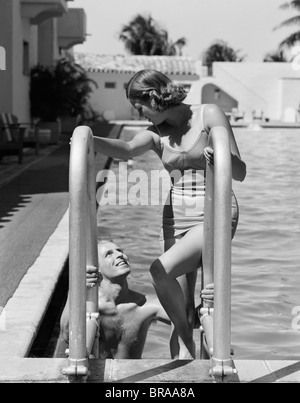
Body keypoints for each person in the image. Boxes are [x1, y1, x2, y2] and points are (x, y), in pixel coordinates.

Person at [91, 69, 247, 359]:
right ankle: (190, 360)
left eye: (140, 108)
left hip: (215, 211)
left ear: (154, 97)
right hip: (174, 218)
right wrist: (89, 138)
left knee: (159, 271)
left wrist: (221, 156)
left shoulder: (209, 114)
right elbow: (125, 150)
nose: (141, 116)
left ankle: (196, 347)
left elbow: (241, 172)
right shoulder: (155, 134)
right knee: (185, 308)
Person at [54, 240, 173, 359]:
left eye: (120, 251)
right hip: (92, 375)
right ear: (97, 269)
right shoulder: (90, 306)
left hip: (131, 376)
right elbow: (66, 334)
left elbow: (189, 320)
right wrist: (76, 289)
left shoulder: (144, 306)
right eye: (109, 254)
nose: (120, 255)